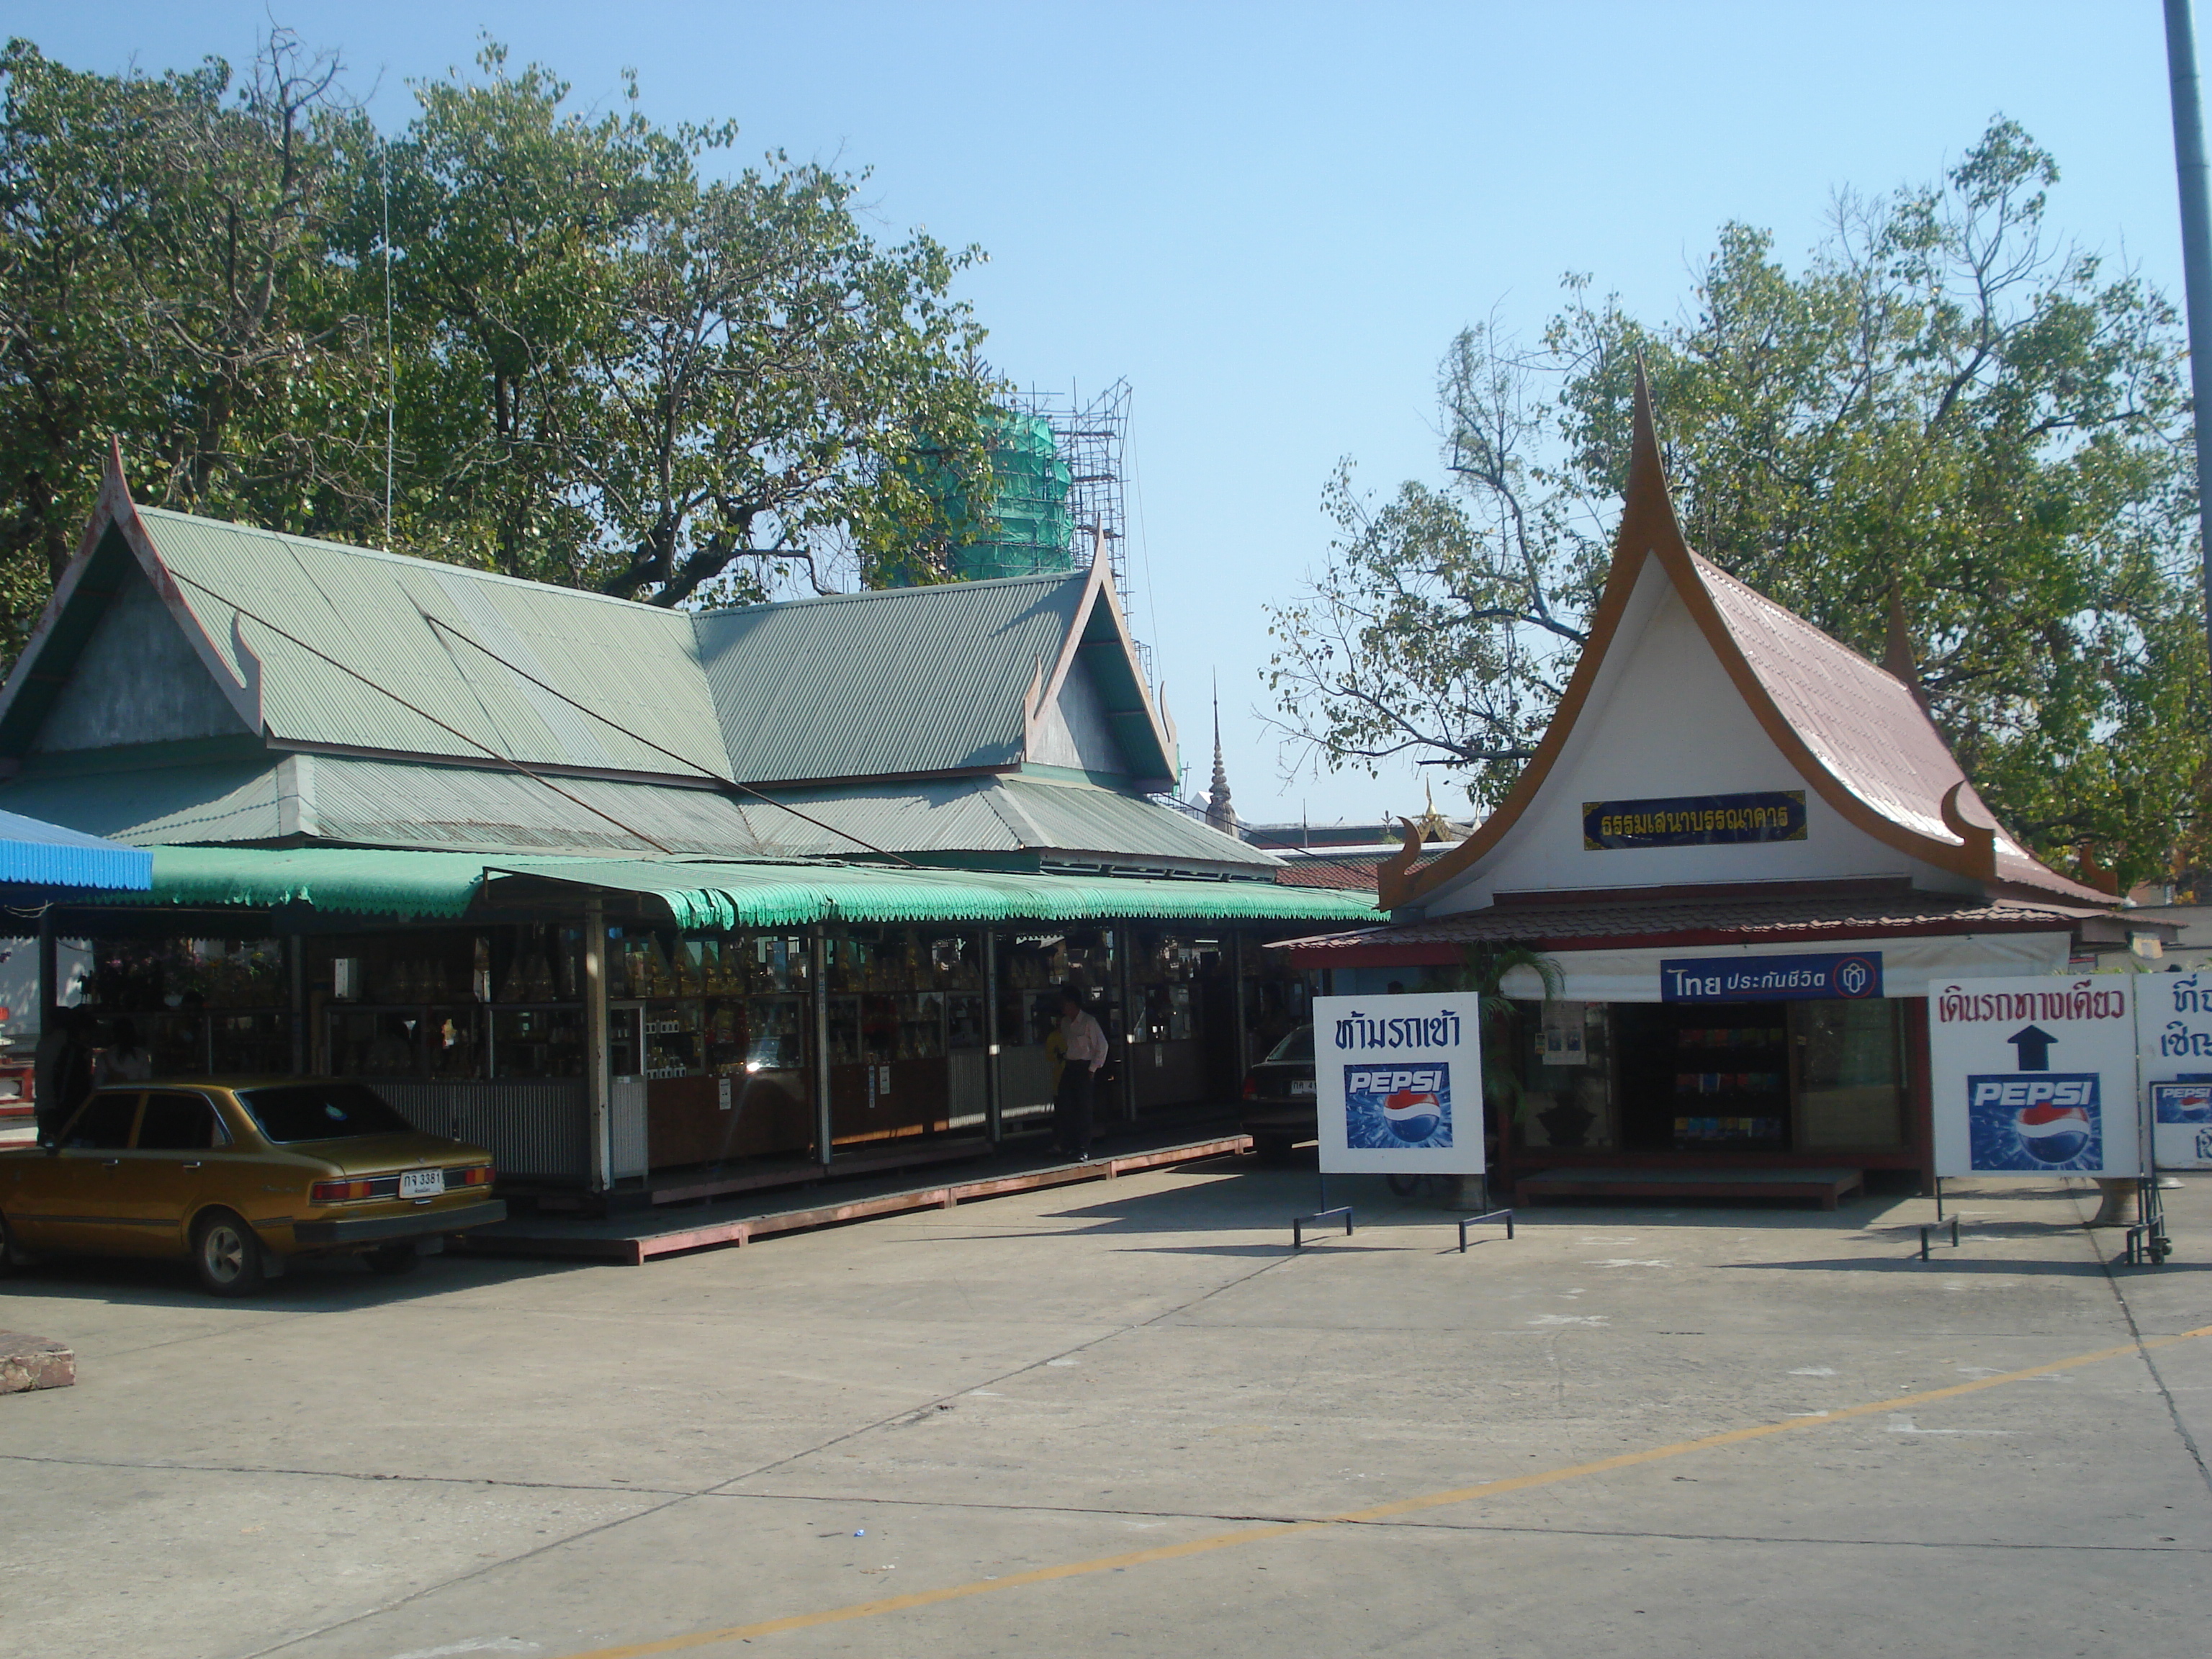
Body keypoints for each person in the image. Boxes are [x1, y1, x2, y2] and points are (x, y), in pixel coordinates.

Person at [1053, 986, 1109, 1161]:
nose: (1062, 1007)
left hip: (1084, 1067)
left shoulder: (1089, 1022)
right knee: (1065, 1107)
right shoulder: (1065, 1023)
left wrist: (1093, 1068)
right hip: (1070, 1066)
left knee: (1083, 1109)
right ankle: (1068, 1144)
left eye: (1064, 1003)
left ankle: (1082, 1148)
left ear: (1072, 1003)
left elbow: (1102, 1046)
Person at [32, 1007, 94, 1144]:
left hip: (45, 1103)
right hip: (68, 1107)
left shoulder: (44, 1044)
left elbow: (38, 1070)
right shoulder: (76, 1047)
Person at [94, 1017, 153, 1086]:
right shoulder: (141, 1055)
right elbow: (147, 1081)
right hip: (136, 1095)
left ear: (113, 1034)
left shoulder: (104, 1057)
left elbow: (98, 1084)